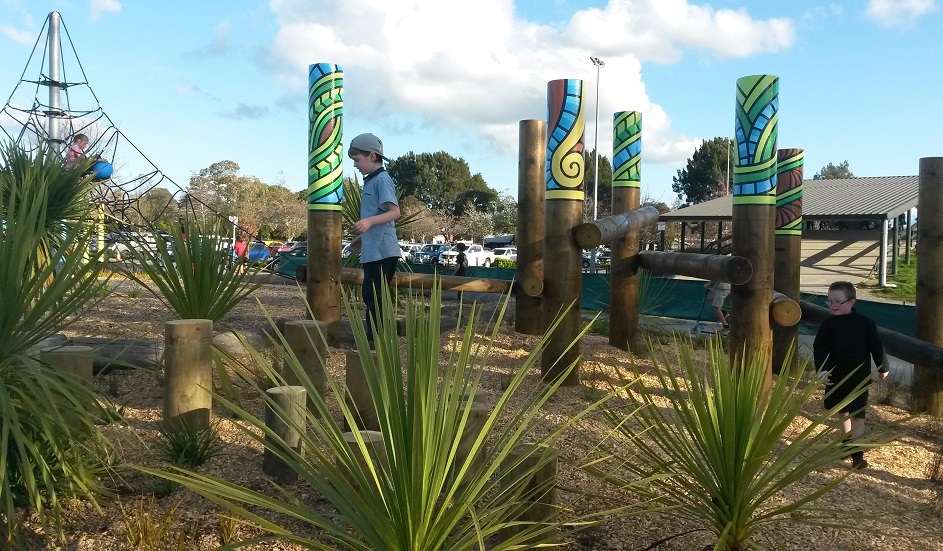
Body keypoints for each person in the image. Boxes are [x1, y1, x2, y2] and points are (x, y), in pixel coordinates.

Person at [813, 280, 888, 470]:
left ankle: (857, 454)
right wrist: (822, 370)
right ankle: (846, 442)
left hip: (858, 376)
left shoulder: (865, 324)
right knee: (841, 409)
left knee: (857, 412)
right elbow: (819, 348)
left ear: (851, 301)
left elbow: (876, 346)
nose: (833, 305)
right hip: (835, 375)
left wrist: (882, 367)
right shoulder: (828, 326)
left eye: (838, 301)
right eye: (829, 301)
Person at [348, 133, 401, 342]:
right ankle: (374, 338)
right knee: (371, 295)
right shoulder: (371, 181)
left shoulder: (382, 180)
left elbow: (394, 212)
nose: (355, 165)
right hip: (373, 250)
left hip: (383, 252)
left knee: (374, 297)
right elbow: (380, 216)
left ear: (372, 156)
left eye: (357, 160)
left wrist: (369, 222)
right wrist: (363, 238)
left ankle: (377, 341)